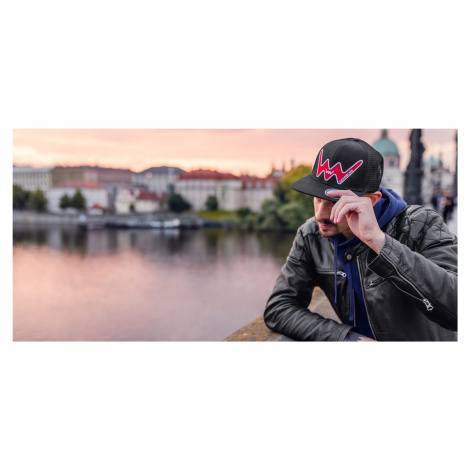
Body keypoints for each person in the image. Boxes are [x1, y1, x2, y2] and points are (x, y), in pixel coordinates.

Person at [264, 137, 457, 341]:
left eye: (334, 202)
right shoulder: (311, 235)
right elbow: (279, 307)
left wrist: (380, 242)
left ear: (371, 200)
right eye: (318, 198)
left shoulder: (420, 225)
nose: (320, 215)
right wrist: (346, 338)